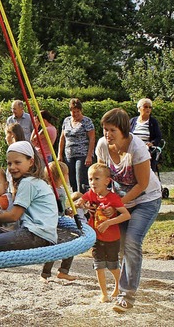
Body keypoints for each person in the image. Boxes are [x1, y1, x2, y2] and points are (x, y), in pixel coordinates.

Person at [95, 108, 162, 313]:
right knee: (122, 245)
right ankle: (122, 287)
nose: (107, 134)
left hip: (146, 199)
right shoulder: (103, 145)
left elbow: (141, 184)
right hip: (121, 201)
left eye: (112, 130)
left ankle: (127, 294)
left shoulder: (138, 149)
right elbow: (101, 175)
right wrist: (98, 199)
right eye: (105, 129)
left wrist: (118, 204)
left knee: (133, 242)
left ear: (123, 129)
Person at [0, 141, 58, 253]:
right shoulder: (34, 181)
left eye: (17, 162)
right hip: (41, 233)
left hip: (36, 235)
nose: (12, 167)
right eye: (9, 164)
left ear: (31, 161)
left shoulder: (28, 183)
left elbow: (13, 216)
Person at [75, 163, 131, 303]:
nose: (92, 183)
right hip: (96, 238)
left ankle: (118, 287)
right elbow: (80, 201)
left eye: (96, 179)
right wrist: (77, 204)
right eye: (90, 179)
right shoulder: (92, 194)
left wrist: (108, 223)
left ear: (107, 181)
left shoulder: (113, 198)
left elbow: (126, 215)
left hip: (112, 239)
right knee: (99, 266)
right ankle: (104, 294)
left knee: (112, 266)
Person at [40, 161, 77, 282]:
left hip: (59, 222)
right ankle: (45, 274)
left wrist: (66, 211)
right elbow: (51, 208)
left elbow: (60, 208)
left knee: (71, 245)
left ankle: (62, 272)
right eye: (67, 174)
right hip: (52, 225)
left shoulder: (60, 190)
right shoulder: (51, 191)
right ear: (60, 176)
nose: (68, 177)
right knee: (54, 248)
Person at [58, 98, 95, 193]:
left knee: (81, 179)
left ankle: (83, 199)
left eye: (78, 111)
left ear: (81, 110)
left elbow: (92, 139)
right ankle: (75, 201)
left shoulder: (87, 121)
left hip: (82, 154)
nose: (76, 114)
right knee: (71, 180)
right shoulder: (66, 121)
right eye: (73, 112)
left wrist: (89, 155)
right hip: (69, 155)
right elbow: (62, 138)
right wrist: (59, 155)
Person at [129, 98, 163, 172]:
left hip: (146, 150)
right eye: (145, 107)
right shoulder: (132, 121)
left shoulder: (153, 122)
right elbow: (126, 134)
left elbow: (158, 136)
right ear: (139, 108)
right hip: (132, 149)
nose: (148, 109)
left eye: (150, 107)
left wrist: (152, 143)